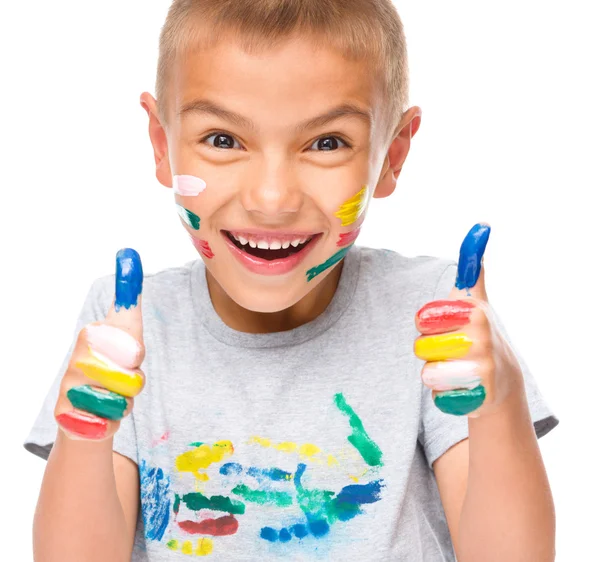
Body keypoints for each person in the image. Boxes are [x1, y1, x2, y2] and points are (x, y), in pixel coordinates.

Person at [25, 1, 558, 560]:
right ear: (162, 143)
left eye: (327, 143)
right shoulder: (125, 325)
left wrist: (500, 405)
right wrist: (87, 435)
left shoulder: (432, 316)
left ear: (392, 155)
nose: (272, 198)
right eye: (223, 140)